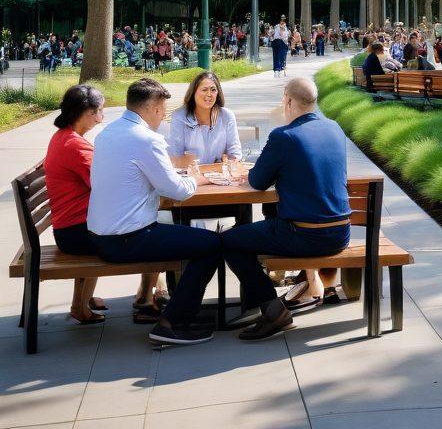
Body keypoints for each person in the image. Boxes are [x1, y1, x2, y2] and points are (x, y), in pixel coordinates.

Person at [88, 77, 289, 345]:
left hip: (100, 235)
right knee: (211, 244)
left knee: (197, 240)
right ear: (153, 109)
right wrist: (203, 179)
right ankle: (172, 322)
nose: (162, 118)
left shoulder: (106, 134)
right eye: (161, 111)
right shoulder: (147, 139)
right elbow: (178, 191)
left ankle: (184, 311)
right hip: (128, 237)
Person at [222, 77, 351, 333]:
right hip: (340, 233)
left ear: (288, 101)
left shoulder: (284, 136)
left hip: (304, 235)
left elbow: (258, 181)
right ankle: (274, 298)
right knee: (267, 225)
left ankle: (272, 310)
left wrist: (244, 174)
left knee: (230, 241)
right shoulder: (335, 128)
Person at [43, 84, 166, 326]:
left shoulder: (64, 137)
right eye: (101, 110)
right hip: (76, 231)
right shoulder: (75, 146)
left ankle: (144, 291)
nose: (103, 115)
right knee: (150, 229)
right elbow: (104, 184)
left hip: (70, 225)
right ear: (88, 113)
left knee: (135, 224)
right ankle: (144, 297)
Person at [167, 71, 242, 165]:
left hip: (219, 176)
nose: (209, 94)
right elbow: (175, 156)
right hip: (190, 176)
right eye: (204, 90)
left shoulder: (227, 115)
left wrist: (230, 160)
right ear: (193, 92)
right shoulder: (179, 116)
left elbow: (235, 154)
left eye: (213, 90)